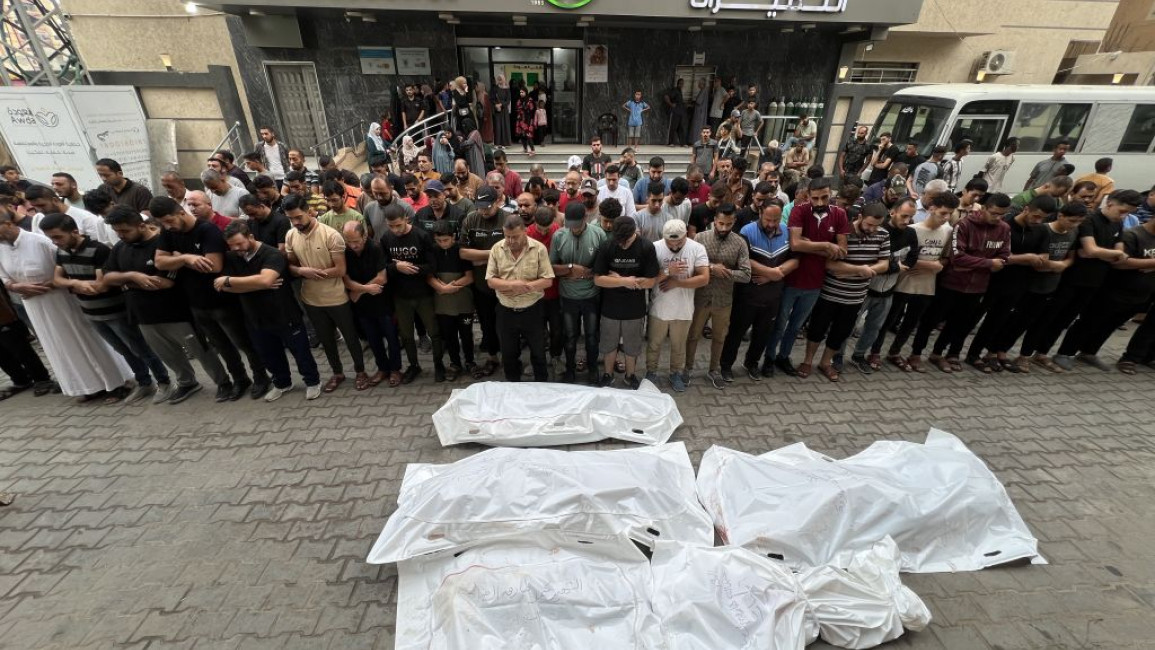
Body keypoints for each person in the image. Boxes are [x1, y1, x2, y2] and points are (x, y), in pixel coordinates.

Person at [0, 208, 133, 401]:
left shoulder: (40, 242)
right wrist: (16, 285)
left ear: (8, 224)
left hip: (62, 301)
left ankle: (116, 382)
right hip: (34, 306)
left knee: (86, 340)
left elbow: (66, 268)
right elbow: (3, 276)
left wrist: (45, 285)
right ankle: (87, 386)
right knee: (59, 346)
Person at [152, 197, 270, 401]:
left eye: (169, 220)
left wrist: (177, 260)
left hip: (222, 300)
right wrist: (186, 258)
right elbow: (159, 263)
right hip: (196, 302)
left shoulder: (207, 230)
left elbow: (213, 266)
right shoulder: (169, 232)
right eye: (163, 222)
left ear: (181, 212)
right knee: (222, 346)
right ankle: (240, 379)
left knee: (243, 343)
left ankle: (261, 377)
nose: (167, 226)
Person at [42, 213, 167, 404]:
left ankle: (164, 382)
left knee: (140, 348)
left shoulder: (97, 250)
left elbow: (102, 284)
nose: (55, 242)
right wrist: (77, 283)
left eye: (58, 236)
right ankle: (144, 383)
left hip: (116, 311)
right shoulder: (62, 252)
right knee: (123, 350)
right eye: (51, 238)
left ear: (74, 231)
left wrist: (73, 285)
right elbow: (56, 279)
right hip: (91, 312)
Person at [100, 207, 221, 404]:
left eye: (125, 231)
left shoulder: (162, 245)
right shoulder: (120, 248)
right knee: (168, 355)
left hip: (176, 312)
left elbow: (164, 282)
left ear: (141, 225)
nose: (121, 236)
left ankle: (223, 381)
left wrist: (125, 282)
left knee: (201, 351)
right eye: (117, 232)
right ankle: (187, 382)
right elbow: (107, 278)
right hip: (143, 315)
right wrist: (133, 276)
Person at [217, 220, 320, 401]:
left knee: (301, 353)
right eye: (232, 246)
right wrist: (252, 283)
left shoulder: (272, 254)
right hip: (255, 318)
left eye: (240, 244)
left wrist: (231, 280)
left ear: (250, 237)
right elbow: (224, 287)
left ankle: (312, 382)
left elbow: (265, 280)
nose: (236, 249)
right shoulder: (232, 257)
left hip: (285, 314)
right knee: (269, 355)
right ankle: (282, 383)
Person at [910, 193, 1012, 373]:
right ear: (985, 208)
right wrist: (988, 263)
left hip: (977, 286)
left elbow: (1003, 256)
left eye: (1001, 215)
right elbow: (958, 257)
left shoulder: (1004, 229)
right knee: (931, 320)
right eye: (994, 213)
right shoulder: (964, 225)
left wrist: (984, 263)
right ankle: (916, 353)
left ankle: (940, 354)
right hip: (951, 282)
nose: (997, 218)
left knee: (960, 323)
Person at [761, 178, 849, 377]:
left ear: (831, 194)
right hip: (791, 279)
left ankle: (784, 356)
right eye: (815, 198)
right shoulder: (799, 211)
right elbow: (795, 245)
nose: (819, 202)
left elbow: (843, 251)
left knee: (795, 325)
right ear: (808, 196)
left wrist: (810, 245)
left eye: (824, 197)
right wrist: (827, 246)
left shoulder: (840, 214)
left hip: (815, 283)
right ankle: (769, 357)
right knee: (779, 323)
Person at [283, 193, 368, 392]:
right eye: (291, 218)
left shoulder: (330, 235)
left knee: (350, 337)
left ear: (309, 211)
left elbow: (340, 270)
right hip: (311, 300)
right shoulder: (290, 235)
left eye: (298, 217)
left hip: (337, 298)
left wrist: (314, 273)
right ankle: (337, 373)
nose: (295, 222)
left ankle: (360, 371)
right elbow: (290, 266)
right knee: (326, 340)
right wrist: (302, 271)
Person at [798, 204, 891, 382]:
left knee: (840, 333)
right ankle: (807, 361)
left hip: (856, 296)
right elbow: (828, 264)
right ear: (860, 216)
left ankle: (826, 363)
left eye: (876, 226)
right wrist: (860, 269)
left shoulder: (883, 235)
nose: (872, 229)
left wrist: (856, 270)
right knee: (817, 329)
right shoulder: (842, 233)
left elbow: (884, 264)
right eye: (869, 224)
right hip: (829, 293)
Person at [965, 195, 1055, 372]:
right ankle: (963, 353)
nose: (1038, 221)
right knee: (976, 317)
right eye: (1036, 216)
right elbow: (997, 257)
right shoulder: (1005, 226)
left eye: (1043, 218)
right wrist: (1027, 258)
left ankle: (987, 353)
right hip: (994, 279)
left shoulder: (1042, 230)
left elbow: (1042, 258)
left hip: (1020, 283)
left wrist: (1017, 259)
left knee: (999, 319)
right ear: (1026, 209)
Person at [721, 198, 795, 382]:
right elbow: (744, 261)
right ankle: (726, 366)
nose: (771, 224)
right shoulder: (747, 231)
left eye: (776, 220)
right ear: (760, 214)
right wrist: (771, 272)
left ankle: (752, 363)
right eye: (768, 219)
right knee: (736, 333)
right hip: (747, 296)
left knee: (763, 334)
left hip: (772, 297)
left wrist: (777, 274)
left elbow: (795, 259)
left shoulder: (787, 232)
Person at [845, 199, 920, 374]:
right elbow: (872, 260)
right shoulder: (878, 231)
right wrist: (893, 266)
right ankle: (837, 357)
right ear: (892, 212)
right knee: (849, 326)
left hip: (888, 292)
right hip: (864, 289)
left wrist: (891, 266)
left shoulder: (911, 234)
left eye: (911, 217)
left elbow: (912, 259)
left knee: (874, 328)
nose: (907, 221)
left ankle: (859, 355)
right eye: (904, 216)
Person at [685, 207, 751, 388]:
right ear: (714, 219)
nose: (723, 228)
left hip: (724, 299)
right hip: (700, 296)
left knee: (720, 337)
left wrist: (727, 272)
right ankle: (687, 369)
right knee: (693, 335)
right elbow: (690, 264)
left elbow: (746, 275)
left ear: (734, 222)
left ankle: (714, 370)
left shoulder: (739, 243)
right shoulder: (700, 238)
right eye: (721, 223)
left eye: (728, 224)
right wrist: (713, 267)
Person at [380, 202, 444, 383]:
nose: (396, 230)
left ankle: (438, 364)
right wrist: (396, 267)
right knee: (407, 335)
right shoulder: (386, 239)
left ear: (406, 219)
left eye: (398, 225)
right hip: (401, 296)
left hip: (424, 294)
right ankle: (413, 365)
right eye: (391, 226)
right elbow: (383, 266)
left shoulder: (421, 236)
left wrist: (413, 268)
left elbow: (432, 266)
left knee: (434, 331)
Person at [643, 218, 708, 392]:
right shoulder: (655, 247)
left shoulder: (697, 248)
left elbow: (704, 278)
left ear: (685, 235)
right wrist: (667, 272)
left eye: (678, 242)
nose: (673, 246)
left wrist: (677, 283)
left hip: (684, 308)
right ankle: (651, 372)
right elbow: (648, 281)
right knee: (654, 344)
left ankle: (676, 373)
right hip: (659, 307)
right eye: (669, 242)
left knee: (679, 345)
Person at [594, 216, 660, 388]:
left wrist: (615, 278)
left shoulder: (646, 246)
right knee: (609, 343)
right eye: (620, 241)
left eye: (627, 240)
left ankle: (630, 375)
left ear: (635, 233)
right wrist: (626, 281)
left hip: (634, 307)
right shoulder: (607, 246)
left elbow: (651, 281)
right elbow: (598, 280)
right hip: (610, 305)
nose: (623, 244)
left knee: (632, 345)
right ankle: (608, 374)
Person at [550, 203, 607, 384]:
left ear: (585, 219)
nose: (573, 228)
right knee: (570, 336)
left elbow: (603, 266)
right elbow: (551, 268)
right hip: (568, 296)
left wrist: (586, 272)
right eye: (570, 224)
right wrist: (570, 268)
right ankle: (570, 369)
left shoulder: (599, 234)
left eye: (577, 224)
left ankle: (592, 368)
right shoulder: (559, 236)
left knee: (591, 335)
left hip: (591, 295)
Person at [341, 220, 402, 388]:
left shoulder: (375, 248)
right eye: (348, 241)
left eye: (356, 241)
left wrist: (359, 291)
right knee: (373, 339)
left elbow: (382, 278)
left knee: (391, 337)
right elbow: (346, 279)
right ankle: (382, 368)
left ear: (364, 236)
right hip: (363, 305)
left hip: (382, 301)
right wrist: (366, 289)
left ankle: (395, 369)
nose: (353, 245)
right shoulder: (345, 252)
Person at [458, 186, 506, 378]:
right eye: (480, 207)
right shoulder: (470, 219)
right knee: (487, 324)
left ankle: (511, 357)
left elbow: (512, 252)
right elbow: (463, 253)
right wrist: (495, 253)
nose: (484, 211)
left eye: (488, 207)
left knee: (506, 324)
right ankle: (492, 357)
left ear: (498, 202)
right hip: (481, 285)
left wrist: (480, 257)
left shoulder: (508, 219)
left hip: (504, 284)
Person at [428, 220, 475, 382]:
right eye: (439, 241)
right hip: (443, 303)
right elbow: (429, 276)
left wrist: (451, 286)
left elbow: (469, 277)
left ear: (453, 237)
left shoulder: (461, 251)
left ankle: (470, 361)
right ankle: (455, 363)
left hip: (463, 301)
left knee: (467, 334)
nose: (443, 244)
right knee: (449, 335)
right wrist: (441, 288)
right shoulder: (433, 251)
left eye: (446, 240)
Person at [0, 280, 56, 399]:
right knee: (2, 354)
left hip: (5, 318)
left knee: (20, 349)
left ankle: (41, 379)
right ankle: (20, 380)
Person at [25, 185, 115, 246]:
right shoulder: (38, 218)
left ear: (55, 200)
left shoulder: (86, 218)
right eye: (35, 206)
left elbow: (99, 246)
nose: (39, 210)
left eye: (42, 205)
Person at [363, 176, 415, 243]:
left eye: (383, 193)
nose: (379, 197)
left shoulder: (406, 208)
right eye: (375, 193)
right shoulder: (369, 209)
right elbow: (370, 236)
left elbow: (412, 236)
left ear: (391, 188)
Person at [663, 78, 688, 147]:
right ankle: (671, 142)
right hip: (675, 112)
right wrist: (671, 104)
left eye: (683, 83)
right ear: (679, 83)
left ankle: (683, 143)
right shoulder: (674, 90)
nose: (682, 85)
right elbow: (666, 96)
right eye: (682, 83)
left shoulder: (680, 91)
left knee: (681, 127)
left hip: (681, 112)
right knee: (673, 127)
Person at [514, 87, 536, 155]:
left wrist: (524, 109)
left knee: (528, 135)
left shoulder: (529, 100)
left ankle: (532, 150)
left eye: (522, 92)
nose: (521, 94)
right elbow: (517, 108)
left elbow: (532, 109)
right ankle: (525, 148)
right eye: (520, 92)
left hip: (528, 120)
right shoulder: (519, 100)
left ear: (526, 92)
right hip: (520, 119)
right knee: (522, 135)